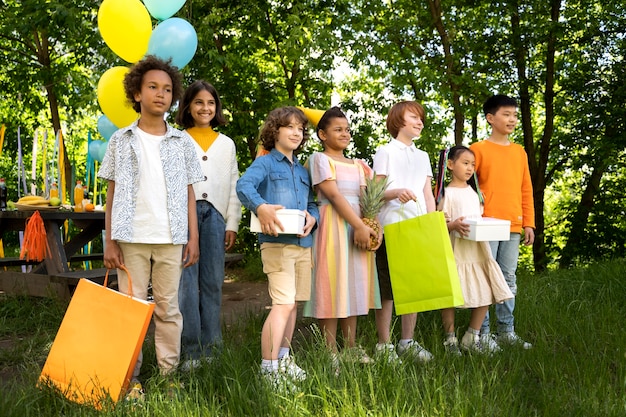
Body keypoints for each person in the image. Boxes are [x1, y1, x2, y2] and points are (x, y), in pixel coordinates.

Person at [98, 55, 204, 399]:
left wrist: (193, 237)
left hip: (171, 237)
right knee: (131, 309)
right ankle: (130, 378)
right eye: (153, 87)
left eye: (167, 89)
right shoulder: (121, 140)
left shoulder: (183, 143)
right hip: (130, 238)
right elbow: (111, 194)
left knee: (168, 308)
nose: (160, 94)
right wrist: (110, 240)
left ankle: (169, 375)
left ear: (173, 97)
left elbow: (190, 193)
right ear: (137, 94)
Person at [236, 106, 319, 390]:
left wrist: (313, 217)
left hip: (302, 244)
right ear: (275, 131)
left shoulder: (304, 169)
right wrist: (261, 207)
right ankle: (268, 369)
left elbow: (311, 204)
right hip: (277, 245)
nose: (296, 132)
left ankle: (283, 359)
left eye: (300, 129)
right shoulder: (266, 163)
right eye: (289, 127)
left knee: (293, 305)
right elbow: (244, 186)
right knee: (282, 304)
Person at [302, 107, 381, 366]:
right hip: (333, 227)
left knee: (354, 284)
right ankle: (329, 351)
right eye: (338, 129)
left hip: (358, 227)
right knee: (332, 282)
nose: (345, 133)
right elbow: (334, 195)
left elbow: (366, 198)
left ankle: (350, 347)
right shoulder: (320, 159)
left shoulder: (358, 165)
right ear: (322, 134)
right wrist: (358, 226)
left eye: (347, 129)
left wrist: (371, 227)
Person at [175, 80, 242, 370]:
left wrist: (233, 223)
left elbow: (233, 184)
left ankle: (213, 347)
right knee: (186, 285)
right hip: (182, 217)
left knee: (213, 283)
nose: (205, 108)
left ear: (217, 108)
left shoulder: (226, 143)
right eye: (199, 102)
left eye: (211, 103)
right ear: (188, 106)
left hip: (216, 217)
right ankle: (191, 350)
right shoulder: (176, 140)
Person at [469, 94, 535, 351]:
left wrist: (528, 222)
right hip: (486, 224)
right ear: (490, 118)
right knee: (486, 275)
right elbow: (468, 187)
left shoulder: (519, 152)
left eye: (515, 115)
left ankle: (506, 331)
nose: (512, 119)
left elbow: (526, 189)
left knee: (508, 277)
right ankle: (482, 333)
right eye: (506, 114)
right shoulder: (477, 150)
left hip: (514, 225)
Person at [372, 101, 435, 363]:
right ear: (398, 121)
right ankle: (383, 345)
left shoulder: (423, 157)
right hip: (390, 226)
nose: (420, 122)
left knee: (413, 288)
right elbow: (374, 193)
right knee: (387, 290)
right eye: (414, 117)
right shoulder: (385, 151)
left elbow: (427, 194)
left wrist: (432, 226)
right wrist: (396, 193)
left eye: (421, 118)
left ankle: (407, 342)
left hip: (418, 227)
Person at [434, 145, 513, 354]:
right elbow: (439, 224)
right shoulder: (447, 194)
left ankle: (472, 335)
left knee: (486, 290)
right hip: (456, 251)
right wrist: (453, 226)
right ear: (450, 165)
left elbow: (479, 219)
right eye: (465, 163)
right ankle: (450, 339)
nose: (470, 168)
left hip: (478, 251)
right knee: (450, 295)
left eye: (472, 165)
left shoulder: (475, 193)